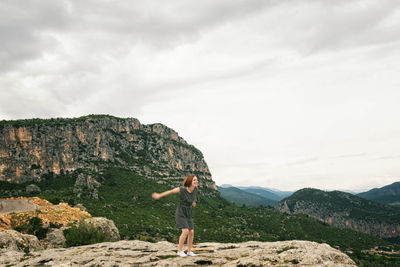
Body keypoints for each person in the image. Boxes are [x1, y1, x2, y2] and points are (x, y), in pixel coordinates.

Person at [152, 174, 199, 257]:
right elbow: (171, 191)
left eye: (197, 180)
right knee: (185, 231)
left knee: (191, 232)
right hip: (181, 212)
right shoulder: (182, 189)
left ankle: (189, 251)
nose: (196, 181)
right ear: (190, 181)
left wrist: (193, 203)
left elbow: (193, 198)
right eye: (194, 180)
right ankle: (179, 251)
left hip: (189, 212)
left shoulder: (195, 190)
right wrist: (159, 195)